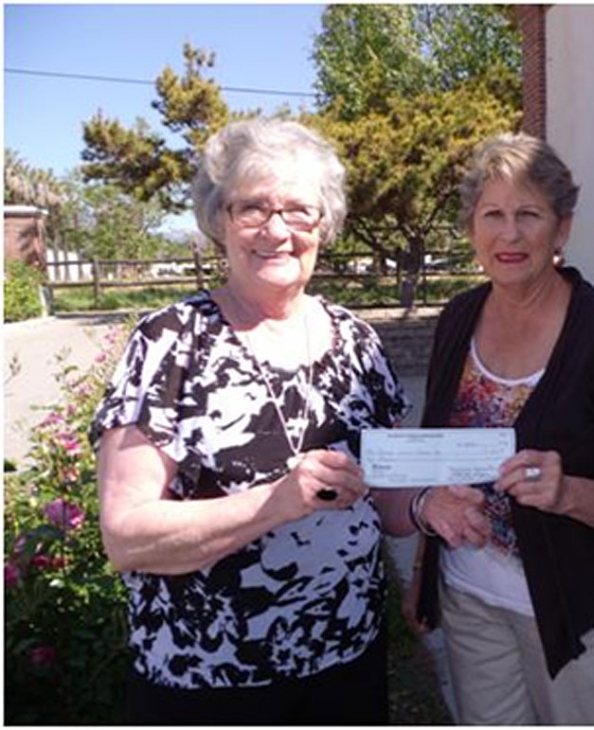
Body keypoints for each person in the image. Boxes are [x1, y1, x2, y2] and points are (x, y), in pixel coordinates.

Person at [90, 118, 485, 724]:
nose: (277, 230)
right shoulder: (170, 342)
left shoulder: (357, 341)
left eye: (299, 211)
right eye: (252, 209)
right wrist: (275, 501)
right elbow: (126, 536)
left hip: (347, 664)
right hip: (210, 681)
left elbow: (380, 494)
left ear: (323, 226)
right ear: (219, 220)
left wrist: (429, 503)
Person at [405, 132, 594, 724]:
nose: (510, 233)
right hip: (471, 598)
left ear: (562, 228)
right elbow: (436, 455)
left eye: (530, 214)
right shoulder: (458, 317)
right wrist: (424, 570)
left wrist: (567, 492)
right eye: (492, 214)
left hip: (582, 612)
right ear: (472, 228)